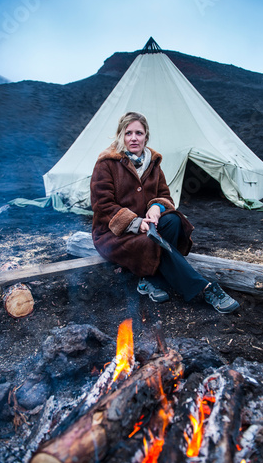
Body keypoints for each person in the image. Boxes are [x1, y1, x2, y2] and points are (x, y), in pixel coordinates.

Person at [90, 111, 239, 314]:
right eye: (128, 133)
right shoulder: (106, 164)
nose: (134, 138)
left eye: (139, 133)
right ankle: (204, 289)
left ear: (146, 136)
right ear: (121, 136)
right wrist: (135, 222)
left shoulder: (153, 163)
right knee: (152, 241)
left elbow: (165, 197)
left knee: (174, 221)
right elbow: (103, 205)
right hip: (114, 235)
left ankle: (149, 279)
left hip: (148, 228)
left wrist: (156, 207)